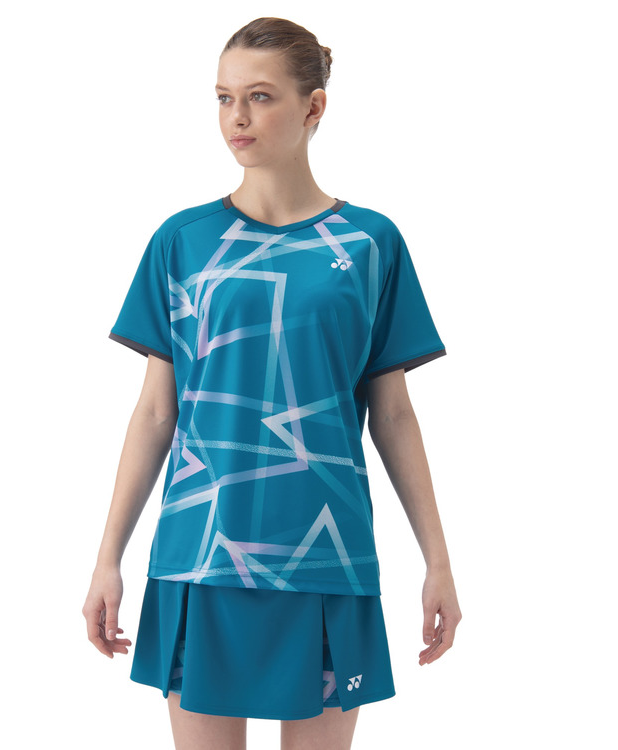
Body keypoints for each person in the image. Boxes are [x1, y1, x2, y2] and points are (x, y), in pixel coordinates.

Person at [82, 16, 462, 750]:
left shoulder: (371, 243)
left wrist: (437, 561)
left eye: (259, 96)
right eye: (224, 98)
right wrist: (108, 558)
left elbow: (393, 416)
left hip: (326, 559)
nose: (237, 118)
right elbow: (156, 412)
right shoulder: (182, 241)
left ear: (314, 106)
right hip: (202, 555)